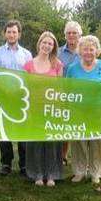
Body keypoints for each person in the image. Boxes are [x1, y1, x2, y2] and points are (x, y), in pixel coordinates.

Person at [66, 35, 101, 184]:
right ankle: (79, 171)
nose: (88, 52)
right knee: (78, 141)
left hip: (99, 110)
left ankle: (96, 172)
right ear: (80, 50)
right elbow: (67, 89)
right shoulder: (72, 68)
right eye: (85, 49)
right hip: (78, 111)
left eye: (91, 49)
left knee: (98, 141)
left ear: (97, 51)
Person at [0, 19, 32, 176]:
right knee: (4, 132)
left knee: (22, 132)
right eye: (9, 32)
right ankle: (6, 163)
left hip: (21, 98)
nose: (12, 34)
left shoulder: (27, 54)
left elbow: (30, 77)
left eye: (14, 32)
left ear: (19, 34)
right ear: (4, 33)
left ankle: (24, 164)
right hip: (3, 97)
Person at [24, 31, 63, 186]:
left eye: (50, 44)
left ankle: (52, 174)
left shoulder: (58, 65)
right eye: (44, 43)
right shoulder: (28, 65)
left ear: (53, 47)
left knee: (52, 142)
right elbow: (25, 88)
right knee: (37, 142)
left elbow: (61, 88)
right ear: (39, 43)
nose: (47, 46)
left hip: (52, 108)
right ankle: (38, 174)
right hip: (34, 109)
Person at [57, 21, 82, 165]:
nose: (71, 35)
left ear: (80, 35)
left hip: (81, 96)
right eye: (69, 33)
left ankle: (80, 159)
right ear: (65, 35)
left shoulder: (85, 50)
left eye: (74, 33)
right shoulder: (58, 52)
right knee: (63, 126)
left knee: (78, 126)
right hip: (62, 95)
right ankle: (62, 156)